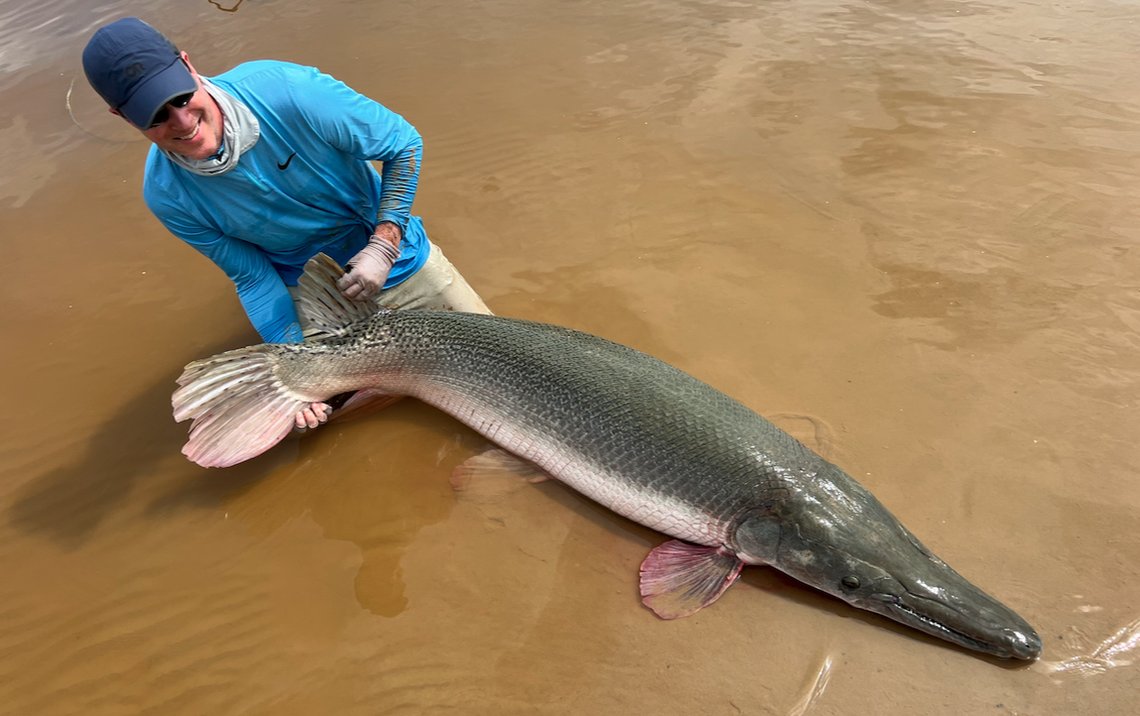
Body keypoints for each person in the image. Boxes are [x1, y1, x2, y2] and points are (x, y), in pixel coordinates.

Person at [82, 17, 491, 430]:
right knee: (315, 425)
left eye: (182, 97)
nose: (183, 122)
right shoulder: (167, 195)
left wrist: (385, 243)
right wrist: (290, 366)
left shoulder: (289, 91)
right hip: (315, 294)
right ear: (122, 116)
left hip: (396, 255)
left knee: (495, 363)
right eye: (156, 115)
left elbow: (403, 144)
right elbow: (253, 277)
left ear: (188, 65)